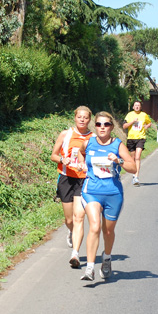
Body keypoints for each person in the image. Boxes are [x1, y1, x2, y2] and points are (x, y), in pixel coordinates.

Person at [75, 111, 137, 281]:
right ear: (95, 126)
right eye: (99, 124)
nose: (102, 127)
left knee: (108, 231)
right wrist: (81, 164)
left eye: (106, 124)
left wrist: (119, 161)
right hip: (92, 191)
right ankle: (89, 268)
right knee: (94, 226)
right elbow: (81, 153)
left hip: (113, 193)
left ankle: (107, 258)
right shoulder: (88, 143)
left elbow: (133, 168)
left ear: (111, 127)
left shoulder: (117, 145)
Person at [51, 106, 94, 254]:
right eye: (79, 117)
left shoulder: (93, 138)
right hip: (66, 178)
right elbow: (53, 156)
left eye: (85, 117)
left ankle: (75, 251)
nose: (82, 120)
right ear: (75, 118)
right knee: (69, 219)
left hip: (83, 180)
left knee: (78, 217)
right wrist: (63, 159)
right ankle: (70, 231)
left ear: (89, 119)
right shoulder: (65, 134)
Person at [123, 101, 152, 186]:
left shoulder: (144, 115)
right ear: (133, 107)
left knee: (137, 157)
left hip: (141, 138)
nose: (137, 107)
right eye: (135, 105)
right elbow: (124, 126)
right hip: (131, 138)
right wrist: (132, 122)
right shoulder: (129, 115)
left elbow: (149, 122)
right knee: (132, 158)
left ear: (140, 107)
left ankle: (136, 177)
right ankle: (133, 173)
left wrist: (147, 126)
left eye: (138, 105)